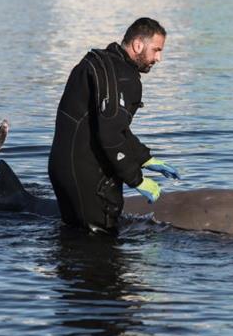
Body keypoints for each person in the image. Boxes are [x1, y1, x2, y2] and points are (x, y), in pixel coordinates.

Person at [48, 17, 180, 234]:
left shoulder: (97, 63)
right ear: (138, 45)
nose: (159, 58)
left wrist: (144, 157)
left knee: (73, 239)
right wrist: (136, 179)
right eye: (156, 50)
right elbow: (110, 134)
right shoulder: (124, 78)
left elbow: (110, 125)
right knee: (99, 243)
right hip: (89, 176)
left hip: (63, 168)